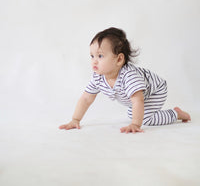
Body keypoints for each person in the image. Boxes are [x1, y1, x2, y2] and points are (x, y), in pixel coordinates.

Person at [59, 27, 191, 134]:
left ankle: (176, 114)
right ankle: (147, 115)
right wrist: (75, 119)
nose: (94, 60)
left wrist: (135, 124)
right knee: (133, 112)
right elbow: (86, 98)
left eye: (100, 56)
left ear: (119, 59)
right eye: (92, 55)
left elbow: (138, 100)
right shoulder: (98, 77)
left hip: (155, 90)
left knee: (146, 119)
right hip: (137, 96)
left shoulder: (129, 76)